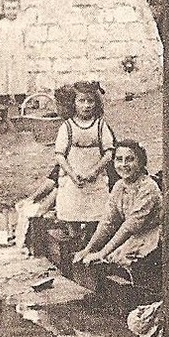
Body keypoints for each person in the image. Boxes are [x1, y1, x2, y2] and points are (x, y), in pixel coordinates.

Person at [75, 141, 161, 270]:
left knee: (118, 261)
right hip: (133, 237)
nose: (124, 164)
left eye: (130, 159)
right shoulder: (119, 186)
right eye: (119, 159)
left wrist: (102, 253)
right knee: (106, 258)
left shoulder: (148, 187)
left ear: (141, 162)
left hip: (152, 238)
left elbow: (130, 226)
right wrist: (88, 249)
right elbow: (108, 222)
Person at [54, 82, 116, 235]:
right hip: (74, 179)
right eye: (81, 101)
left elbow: (109, 152)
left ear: (96, 103)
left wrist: (95, 171)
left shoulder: (100, 125)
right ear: (73, 103)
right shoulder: (67, 126)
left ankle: (91, 245)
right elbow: (60, 155)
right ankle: (74, 242)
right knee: (72, 214)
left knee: (96, 217)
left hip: (94, 179)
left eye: (90, 101)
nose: (86, 105)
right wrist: (72, 175)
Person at [0, 0, 30, 120]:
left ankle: (21, 113)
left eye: (14, 8)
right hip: (3, 59)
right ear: (3, 9)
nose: (11, 12)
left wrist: (22, 53)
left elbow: (26, 41)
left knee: (19, 83)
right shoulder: (0, 25)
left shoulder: (22, 24)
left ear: (18, 8)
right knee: (2, 84)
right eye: (8, 8)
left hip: (18, 58)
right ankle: (3, 115)